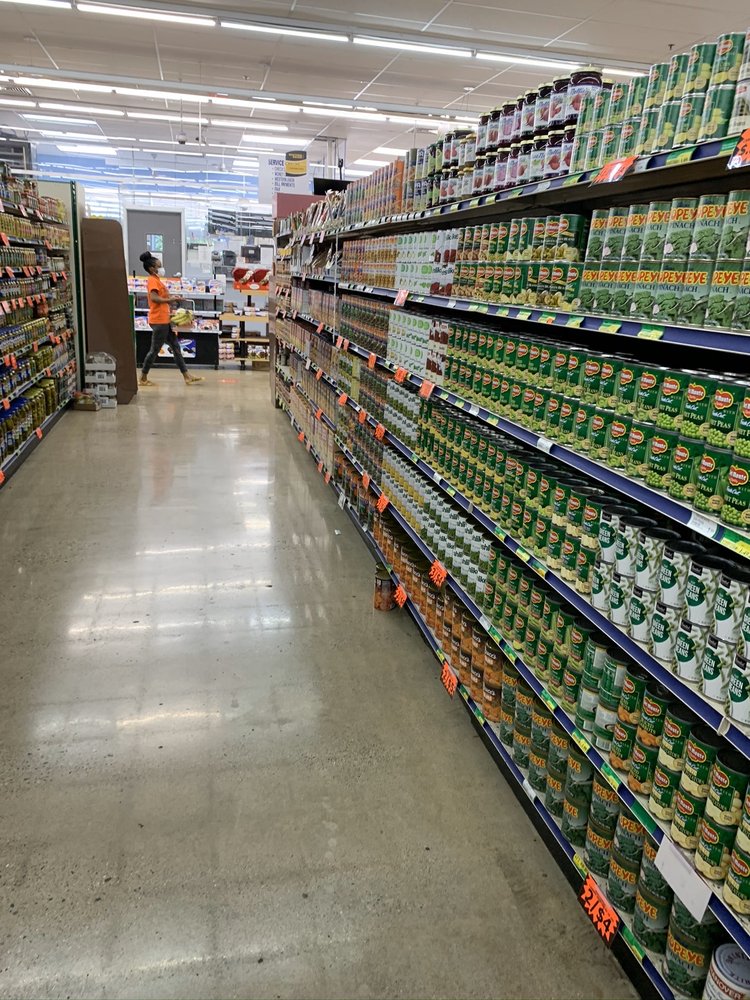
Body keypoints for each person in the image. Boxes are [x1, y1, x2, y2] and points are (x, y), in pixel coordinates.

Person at [138, 252, 203, 386]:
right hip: (159, 321)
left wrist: (173, 298)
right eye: (159, 266)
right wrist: (169, 300)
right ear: (152, 268)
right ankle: (143, 378)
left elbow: (161, 297)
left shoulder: (157, 280)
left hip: (164, 320)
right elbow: (154, 298)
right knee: (155, 350)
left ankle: (187, 376)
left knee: (175, 347)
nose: (162, 268)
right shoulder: (152, 280)